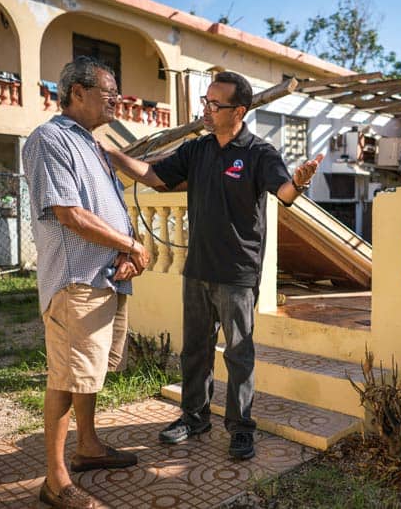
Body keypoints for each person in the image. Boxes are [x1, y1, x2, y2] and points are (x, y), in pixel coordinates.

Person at [106, 71, 321, 461]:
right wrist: (113, 156)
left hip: (238, 273)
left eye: (214, 104)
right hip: (197, 269)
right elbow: (155, 177)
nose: (205, 109)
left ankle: (241, 428)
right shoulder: (198, 151)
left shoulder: (260, 153)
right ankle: (194, 417)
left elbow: (285, 193)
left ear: (239, 111)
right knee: (195, 351)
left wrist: (301, 181)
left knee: (238, 353)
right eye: (205, 101)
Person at [23, 56, 150, 509]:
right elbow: (69, 213)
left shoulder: (93, 145)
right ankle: (55, 481)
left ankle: (89, 447)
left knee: (88, 372)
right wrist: (132, 246)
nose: (117, 99)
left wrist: (124, 251)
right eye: (108, 92)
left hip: (105, 278)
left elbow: (99, 207)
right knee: (65, 374)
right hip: (75, 279)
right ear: (76, 93)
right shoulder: (49, 139)